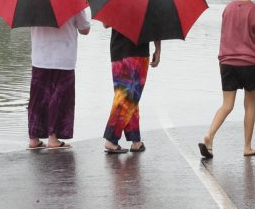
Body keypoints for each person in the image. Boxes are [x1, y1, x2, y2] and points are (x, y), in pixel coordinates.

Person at [199, 0, 255, 159]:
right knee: (249, 105)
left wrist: (223, 58)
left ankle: (209, 135)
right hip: (250, 63)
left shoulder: (228, 9)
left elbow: (225, 36)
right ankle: (247, 147)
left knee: (227, 105)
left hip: (228, 62)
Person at [28, 9, 91, 150]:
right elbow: (85, 29)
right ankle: (53, 138)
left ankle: (34, 138)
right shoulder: (73, 0)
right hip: (63, 57)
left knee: (37, 99)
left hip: (40, 56)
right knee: (59, 98)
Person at [104, 30, 161, 154]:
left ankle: (136, 140)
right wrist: (158, 48)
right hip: (137, 51)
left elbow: (106, 24)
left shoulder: (114, 8)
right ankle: (111, 139)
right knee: (128, 98)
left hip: (117, 50)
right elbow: (156, 24)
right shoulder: (148, 9)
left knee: (128, 97)